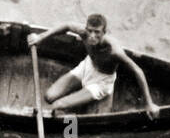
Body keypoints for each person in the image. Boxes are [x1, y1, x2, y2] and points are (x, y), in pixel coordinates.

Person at [26, 15, 159, 118]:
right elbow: (66, 25)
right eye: (90, 31)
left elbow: (137, 70)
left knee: (57, 106)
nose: (92, 36)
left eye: (97, 32)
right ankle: (79, 99)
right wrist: (40, 37)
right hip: (87, 66)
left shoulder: (114, 49)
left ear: (104, 32)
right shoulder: (83, 33)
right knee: (48, 97)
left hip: (101, 82)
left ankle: (71, 128)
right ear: (86, 28)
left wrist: (149, 104)